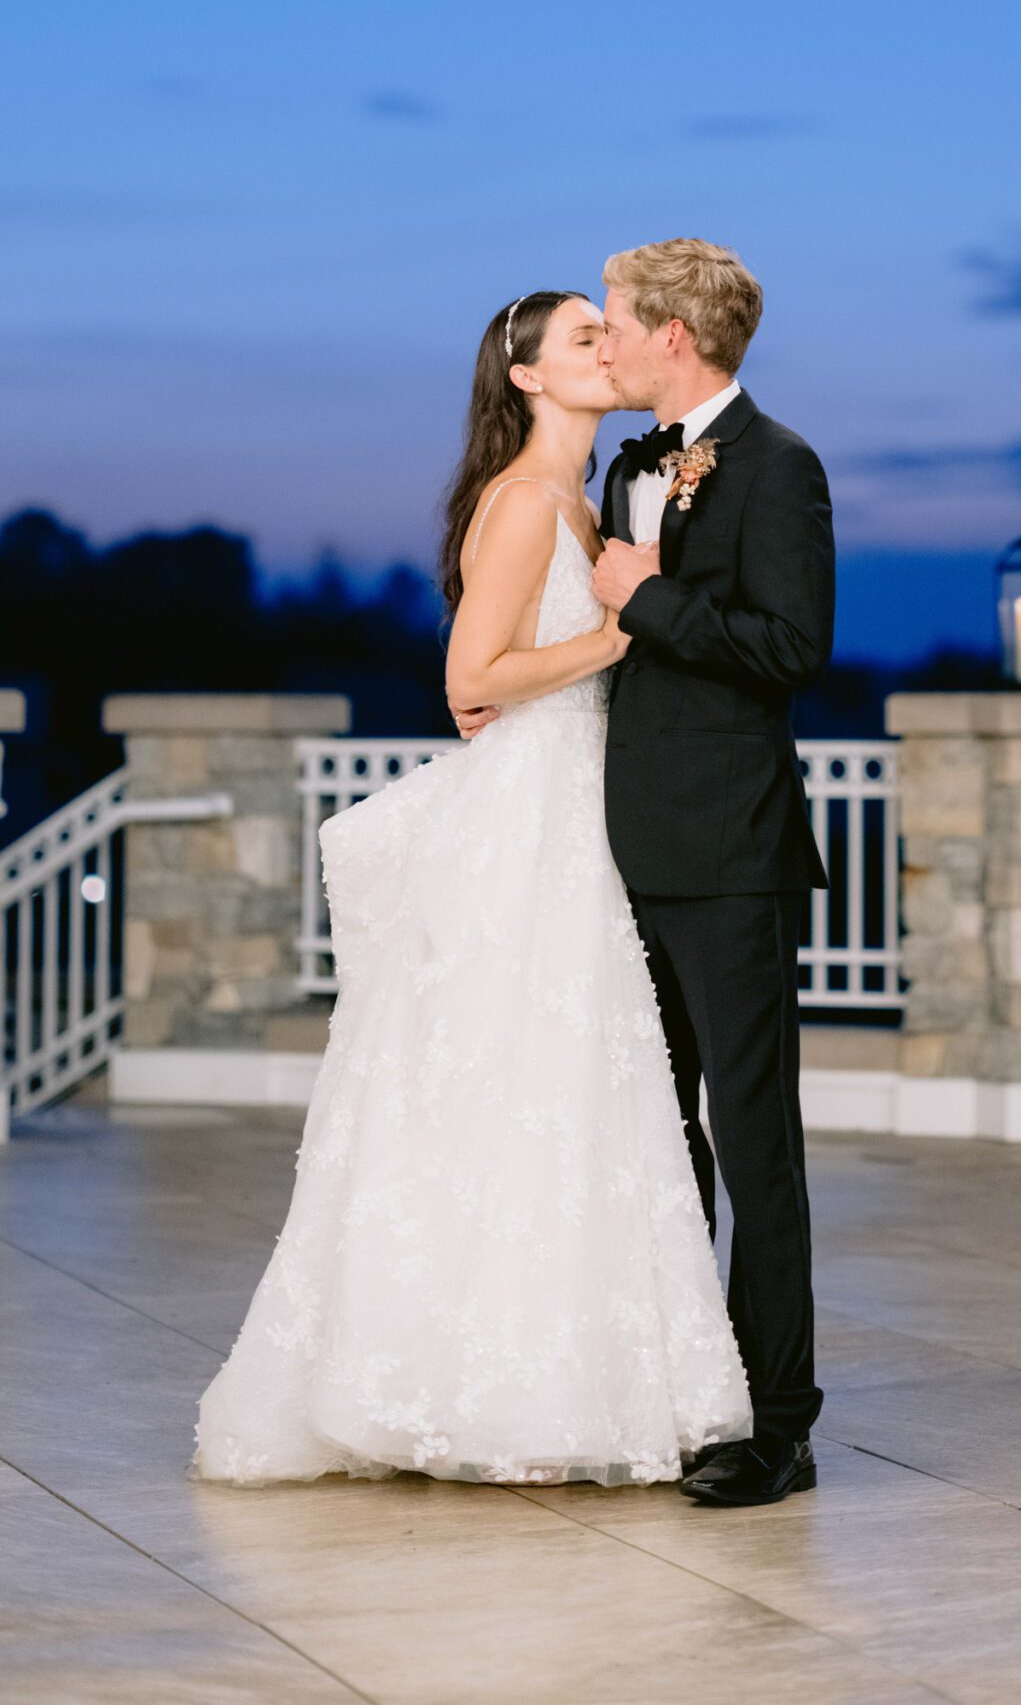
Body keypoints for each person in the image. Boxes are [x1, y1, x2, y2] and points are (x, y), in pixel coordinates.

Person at [190, 289, 751, 1489]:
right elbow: (472, 674)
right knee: (508, 1084)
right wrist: (620, 628)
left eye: (612, 331)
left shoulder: (584, 498)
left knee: (572, 1099)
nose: (611, 347)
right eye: (585, 338)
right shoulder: (521, 503)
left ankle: (561, 1379)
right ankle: (455, 1388)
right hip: (532, 818)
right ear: (532, 379)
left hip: (579, 813)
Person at [590, 237, 835, 1510]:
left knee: (752, 1146)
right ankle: (683, 1387)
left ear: (674, 334)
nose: (609, 340)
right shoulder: (627, 465)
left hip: (729, 856)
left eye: (620, 321)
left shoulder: (780, 467)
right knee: (652, 1136)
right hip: (618, 852)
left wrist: (646, 599)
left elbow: (792, 646)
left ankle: (777, 1424)